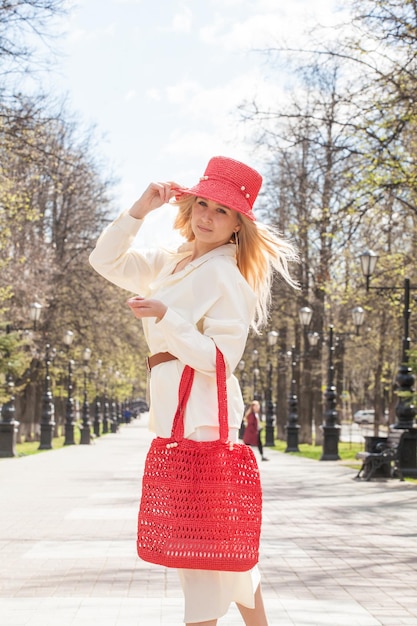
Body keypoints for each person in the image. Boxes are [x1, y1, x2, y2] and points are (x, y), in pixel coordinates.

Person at [89, 155, 299, 626]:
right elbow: (104, 260)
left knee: (198, 552)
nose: (206, 215)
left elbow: (220, 362)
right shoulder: (174, 261)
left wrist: (168, 317)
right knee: (221, 549)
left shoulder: (228, 277)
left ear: (238, 225)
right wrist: (139, 211)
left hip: (202, 419)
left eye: (221, 210)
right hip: (178, 415)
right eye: (201, 203)